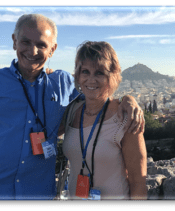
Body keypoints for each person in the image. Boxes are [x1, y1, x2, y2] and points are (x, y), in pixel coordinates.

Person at [0, 14, 144, 201]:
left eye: (42, 45)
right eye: (26, 42)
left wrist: (128, 99)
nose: (33, 50)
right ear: (14, 41)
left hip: (37, 193)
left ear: (52, 49)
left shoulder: (62, 82)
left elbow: (97, 95)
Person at [61, 41, 147, 200]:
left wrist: (128, 99)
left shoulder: (124, 119)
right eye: (85, 71)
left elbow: (138, 182)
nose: (91, 80)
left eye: (100, 73)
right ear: (78, 76)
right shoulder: (72, 111)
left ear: (112, 76)